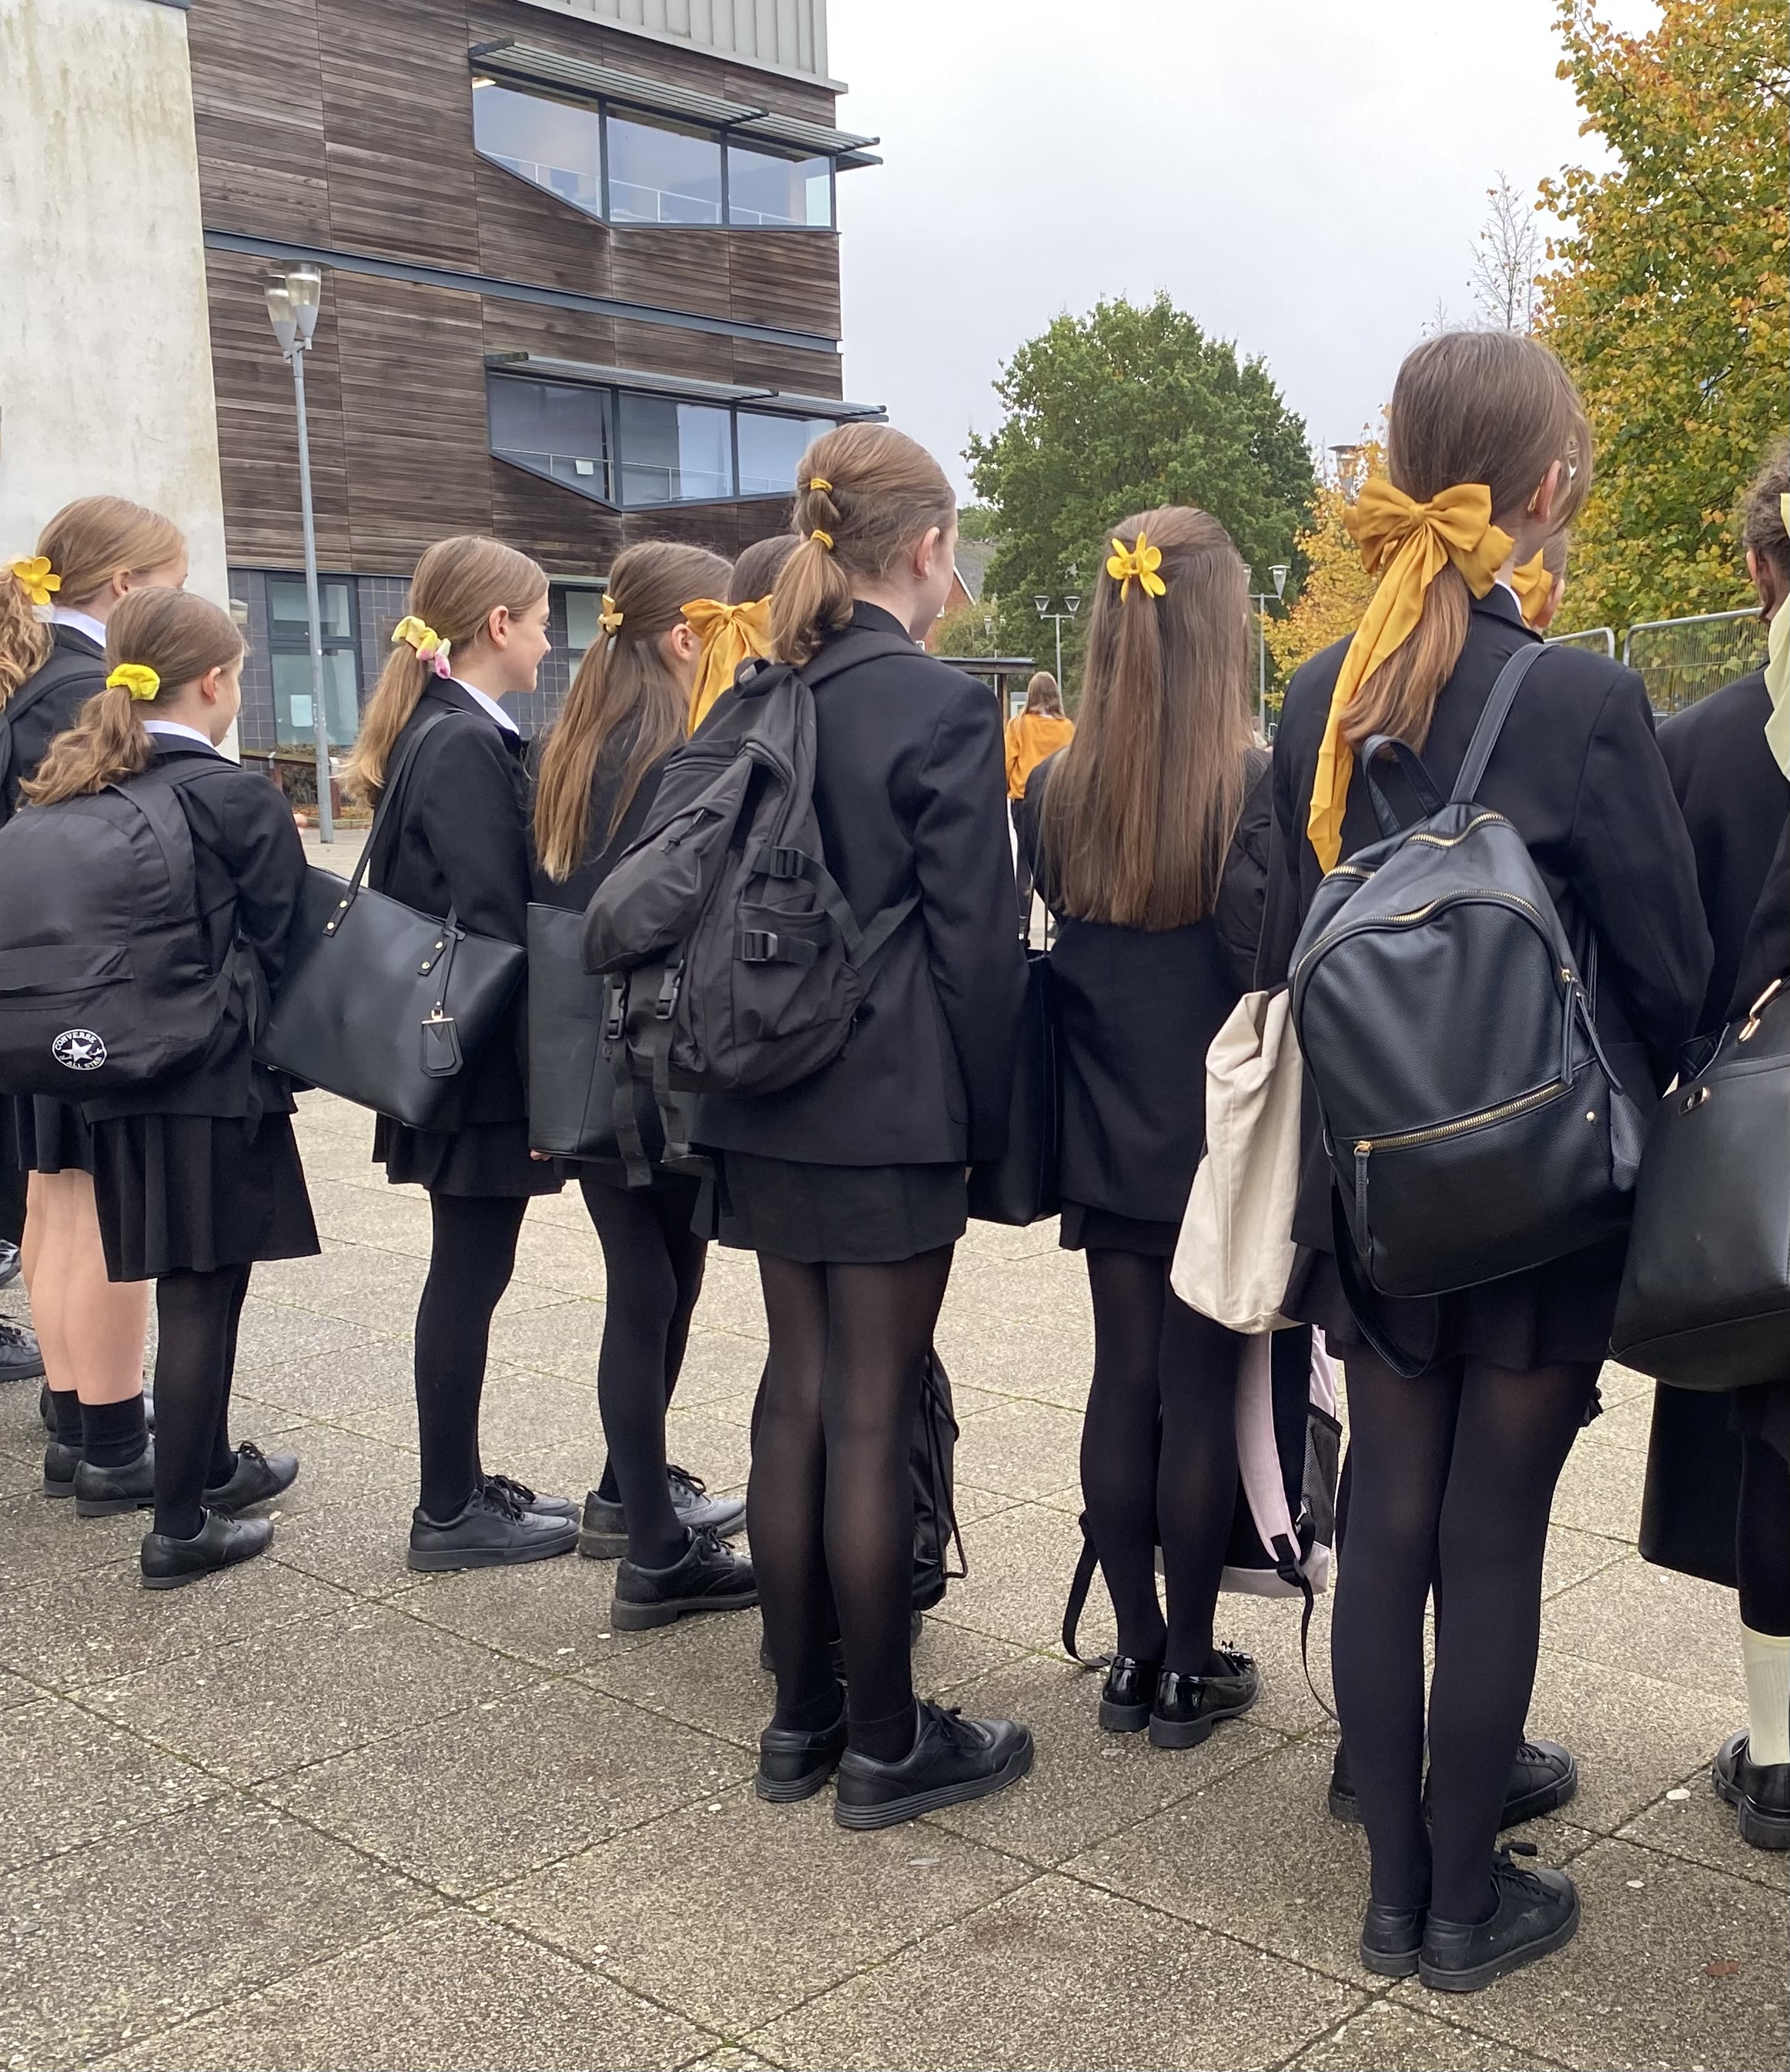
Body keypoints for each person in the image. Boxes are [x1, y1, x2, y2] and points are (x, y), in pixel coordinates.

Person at [1267, 330, 1710, 1989]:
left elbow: (1275, 940)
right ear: (1542, 495)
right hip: (1531, 1193)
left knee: (1383, 1516)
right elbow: (1665, 971)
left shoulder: (1319, 695)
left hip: (1372, 1195)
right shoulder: (1589, 700)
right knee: (1491, 1536)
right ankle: (1467, 1906)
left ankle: (1391, 1892)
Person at [696, 423, 1029, 1826]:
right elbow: (977, 947)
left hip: (757, 1087)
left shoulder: (751, 696)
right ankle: (890, 1742)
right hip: (888, 1103)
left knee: (797, 1392)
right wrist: (995, 1125)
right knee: (875, 1405)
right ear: (928, 549)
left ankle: (799, 1717)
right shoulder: (945, 710)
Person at [1019, 508, 1270, 1749]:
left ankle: (1133, 1655)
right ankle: (1192, 1665)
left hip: (1104, 1126)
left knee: (1120, 1381)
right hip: (1219, 1137)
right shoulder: (1253, 783)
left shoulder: (1058, 788)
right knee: (1198, 1390)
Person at [22, 587, 313, 1586]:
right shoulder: (235, 795)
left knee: (176, 1284)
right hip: (219, 1081)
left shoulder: (81, 781)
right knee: (202, 1299)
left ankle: (199, 1481)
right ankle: (182, 1521)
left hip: (119, 1081)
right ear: (217, 680)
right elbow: (290, 945)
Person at [530, 540, 754, 1627]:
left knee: (649, 1274)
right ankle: (649, 1544)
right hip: (647, 1054)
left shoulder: (571, 741)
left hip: (575, 1051)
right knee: (655, 1283)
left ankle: (633, 1487)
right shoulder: (674, 745)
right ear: (685, 636)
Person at [347, 535, 577, 1572]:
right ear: (496, 625)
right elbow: (499, 926)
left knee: (467, 1268)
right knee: (469, 1270)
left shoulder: (442, 730)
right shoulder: (464, 744)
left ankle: (458, 1485)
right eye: (537, 619)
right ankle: (447, 1506)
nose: (545, 638)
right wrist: (542, 1093)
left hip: (456, 1049)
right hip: (476, 1062)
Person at [1654, 442, 1790, 1850]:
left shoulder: (1693, 744)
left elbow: (1668, 965)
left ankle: (1780, 1752)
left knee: (1776, 1454)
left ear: (1756, 570)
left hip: (1757, 1174)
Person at [2, 499, 189, 1498]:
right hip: (86, 986)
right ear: (122, 587)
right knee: (103, 1212)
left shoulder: (29, 681)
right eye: (169, 583)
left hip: (34, 981)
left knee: (55, 1200)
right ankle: (111, 1437)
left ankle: (81, 1411)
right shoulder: (81, 691)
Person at [1005, 672, 1073, 926]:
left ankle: (1022, 917)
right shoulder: (1067, 728)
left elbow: (1007, 763)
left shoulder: (1018, 725)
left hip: (1024, 800)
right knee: (1060, 859)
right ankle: (1061, 918)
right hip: (1058, 799)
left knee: (1025, 858)